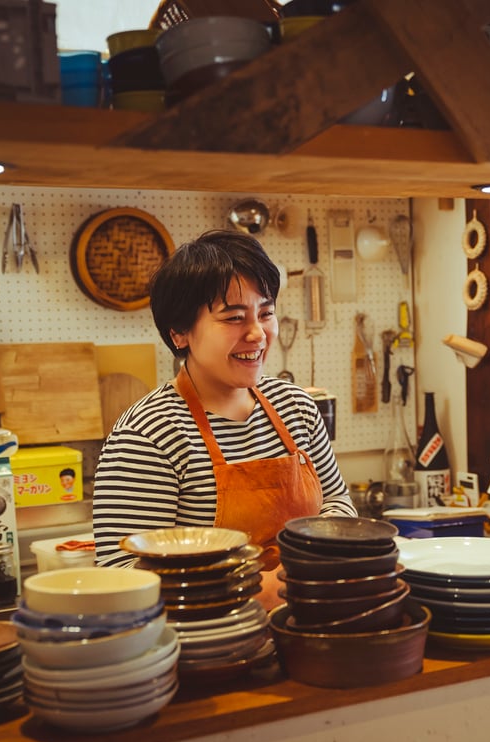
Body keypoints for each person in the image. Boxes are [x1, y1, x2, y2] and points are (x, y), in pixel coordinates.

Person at [92, 230, 356, 605]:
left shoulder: (297, 408)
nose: (257, 334)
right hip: (207, 645)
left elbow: (338, 504)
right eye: (233, 318)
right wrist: (245, 589)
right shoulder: (148, 434)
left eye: (266, 313)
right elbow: (121, 576)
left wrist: (310, 566)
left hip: (310, 619)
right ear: (180, 332)